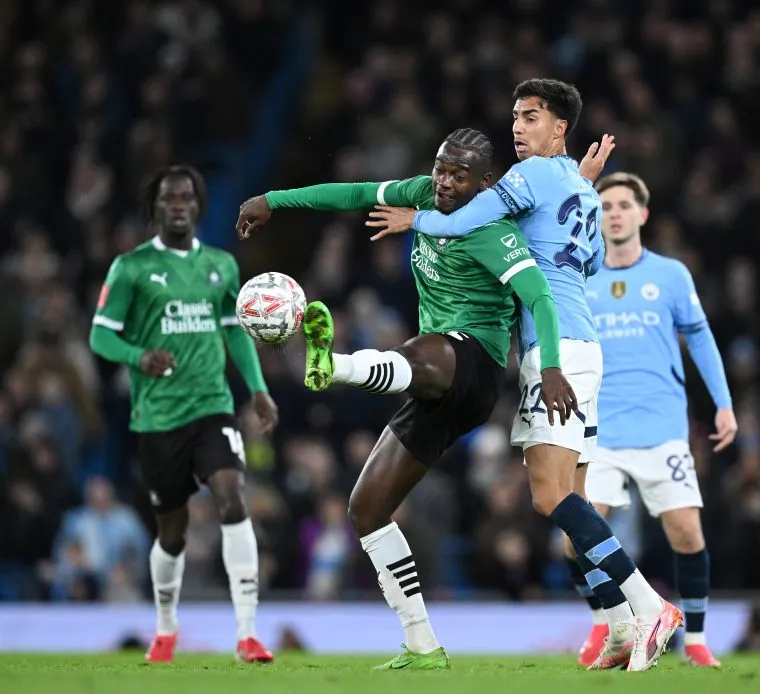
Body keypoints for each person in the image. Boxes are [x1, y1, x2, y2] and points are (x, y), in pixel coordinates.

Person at [235, 127, 599, 670]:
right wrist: (273, 201)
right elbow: (353, 194)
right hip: (429, 381)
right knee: (366, 508)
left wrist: (549, 366)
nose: (446, 183)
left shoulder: (491, 228)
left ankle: (330, 365)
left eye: (459, 175)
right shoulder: (422, 195)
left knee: (422, 350)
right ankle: (422, 644)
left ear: (485, 182)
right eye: (441, 169)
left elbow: (540, 297)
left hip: (473, 366)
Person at [367, 79, 681, 672]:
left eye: (530, 117)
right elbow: (582, 259)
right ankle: (618, 625)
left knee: (549, 496)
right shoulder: (578, 192)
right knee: (576, 499)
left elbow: (466, 219)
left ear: (559, 127)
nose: (517, 128)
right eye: (515, 116)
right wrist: (579, 185)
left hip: (556, 351)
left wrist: (416, 218)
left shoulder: (533, 175)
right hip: (587, 345)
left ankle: (649, 604)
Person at [90, 165, 279, 663]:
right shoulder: (129, 268)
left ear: (198, 205)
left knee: (232, 497)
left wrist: (257, 390)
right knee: (171, 534)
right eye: (169, 198)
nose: (178, 205)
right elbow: (100, 334)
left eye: (187, 198)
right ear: (154, 207)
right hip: (158, 418)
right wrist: (139, 357)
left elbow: (235, 330)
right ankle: (166, 627)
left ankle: (247, 634)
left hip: (212, 407)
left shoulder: (220, 265)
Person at [567, 172, 736, 669]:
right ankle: (607, 623)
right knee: (576, 534)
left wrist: (724, 404)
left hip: (662, 430)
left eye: (623, 205)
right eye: (605, 207)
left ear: (642, 214)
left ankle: (698, 639)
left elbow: (701, 340)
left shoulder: (671, 275)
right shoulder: (578, 277)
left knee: (686, 532)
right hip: (599, 429)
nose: (614, 213)